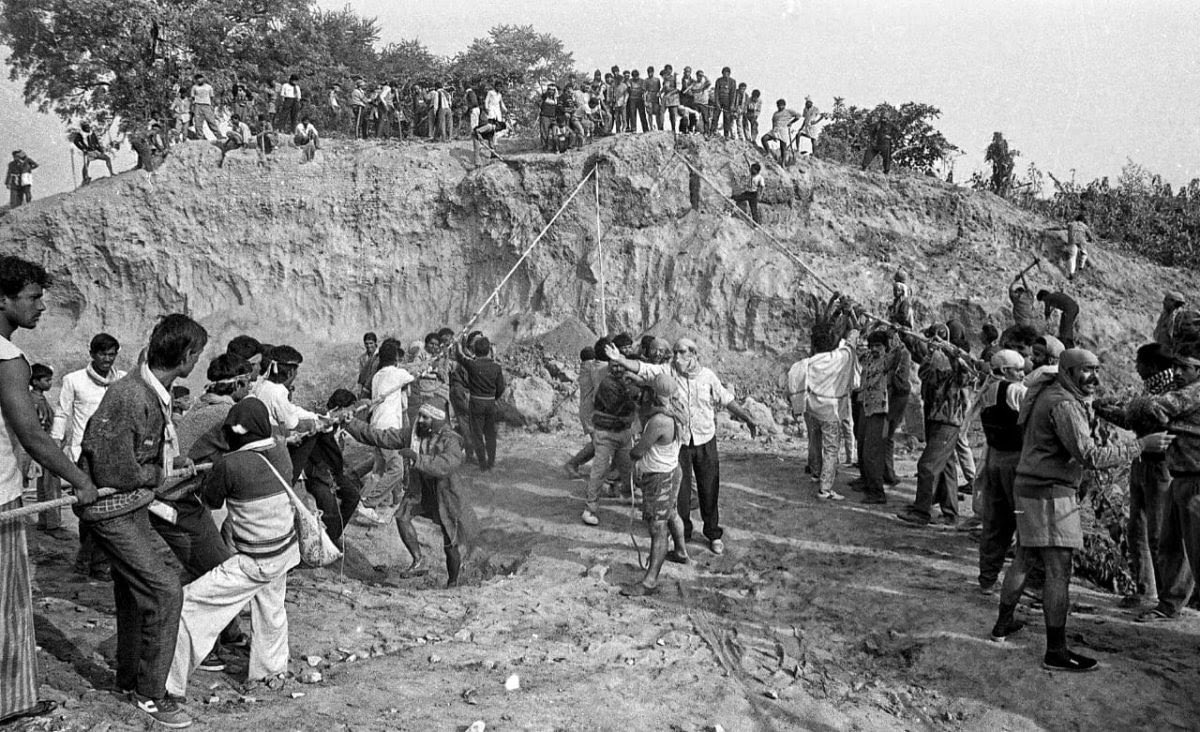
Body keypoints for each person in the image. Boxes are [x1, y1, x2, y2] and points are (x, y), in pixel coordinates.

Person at [989, 349, 1163, 673]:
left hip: (1028, 488)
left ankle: (1002, 626)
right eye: (1086, 371)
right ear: (1069, 371)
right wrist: (1142, 445)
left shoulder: (1047, 391)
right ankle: (1055, 651)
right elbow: (1090, 455)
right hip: (1050, 495)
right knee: (1059, 570)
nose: (1094, 378)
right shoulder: (1064, 404)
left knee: (1025, 557)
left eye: (1097, 370)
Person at [78, 313, 208, 727]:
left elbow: (142, 455)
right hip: (114, 511)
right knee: (166, 589)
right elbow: (116, 470)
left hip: (132, 507)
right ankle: (150, 695)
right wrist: (159, 473)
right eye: (197, 355)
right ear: (187, 356)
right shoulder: (131, 395)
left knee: (136, 590)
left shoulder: (152, 392)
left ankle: (129, 677)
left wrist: (171, 462)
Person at [0, 257, 101, 726]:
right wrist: (81, 481)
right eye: (33, 297)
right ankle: (12, 704)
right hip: (1, 497)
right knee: (10, 602)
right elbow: (34, 436)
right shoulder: (7, 359)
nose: (41, 307)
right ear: (3, 299)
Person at [166, 398, 299, 701]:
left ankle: (168, 683)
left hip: (254, 560)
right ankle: (270, 671)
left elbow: (211, 502)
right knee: (271, 609)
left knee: (190, 606)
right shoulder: (281, 450)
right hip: (285, 551)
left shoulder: (230, 463)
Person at [607, 339, 758, 555]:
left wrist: (748, 418)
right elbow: (646, 369)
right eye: (675, 353)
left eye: (682, 352)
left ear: (694, 354)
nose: (677, 357)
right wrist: (620, 359)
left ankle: (713, 533)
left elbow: (726, 399)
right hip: (683, 443)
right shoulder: (669, 371)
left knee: (709, 488)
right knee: (682, 491)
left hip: (705, 440)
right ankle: (683, 534)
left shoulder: (707, 377)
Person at [343, 403, 480, 586]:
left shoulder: (450, 439)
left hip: (445, 493)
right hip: (420, 490)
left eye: (426, 418)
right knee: (402, 516)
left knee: (450, 542)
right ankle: (418, 560)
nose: (420, 420)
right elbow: (381, 437)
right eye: (420, 416)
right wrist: (351, 423)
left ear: (437, 420)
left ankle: (453, 582)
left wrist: (417, 458)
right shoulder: (412, 434)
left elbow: (447, 464)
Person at [1093, 343, 1179, 610]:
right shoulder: (1155, 389)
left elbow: (1135, 420)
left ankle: (1165, 599)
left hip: (1160, 467)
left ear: (1152, 366)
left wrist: (1104, 409)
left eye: (1139, 362)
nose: (1135, 366)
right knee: (1137, 529)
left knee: (1156, 533)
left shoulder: (1171, 393)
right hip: (1144, 461)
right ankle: (1148, 591)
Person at [1129, 343, 1200, 623]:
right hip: (1181, 475)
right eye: (1177, 366)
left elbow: (1151, 409)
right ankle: (1169, 604)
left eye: (1185, 368)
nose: (1177, 373)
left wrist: (1140, 406)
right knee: (1171, 545)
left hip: (1194, 479)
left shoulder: (1193, 392)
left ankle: (1170, 603)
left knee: (1195, 551)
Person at [51, 332, 126, 578]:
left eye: (112, 354)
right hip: (83, 455)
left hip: (114, 454)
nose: (108, 359)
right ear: (92, 354)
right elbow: (62, 413)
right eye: (103, 354)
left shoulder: (122, 380)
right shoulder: (73, 380)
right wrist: (54, 445)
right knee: (88, 510)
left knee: (109, 509)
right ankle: (89, 563)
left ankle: (96, 564)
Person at [621, 372, 689, 596]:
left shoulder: (660, 421)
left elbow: (639, 450)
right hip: (671, 470)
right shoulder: (676, 411)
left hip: (659, 477)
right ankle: (680, 551)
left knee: (657, 528)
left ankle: (649, 582)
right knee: (671, 513)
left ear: (654, 393)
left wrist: (631, 453)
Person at [897, 334, 975, 526]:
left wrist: (949, 349)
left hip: (947, 423)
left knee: (927, 466)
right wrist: (929, 349)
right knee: (947, 467)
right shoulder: (936, 369)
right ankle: (951, 513)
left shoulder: (958, 371)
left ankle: (922, 512)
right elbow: (922, 370)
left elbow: (969, 370)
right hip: (936, 421)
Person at [788, 303, 861, 501]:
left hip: (812, 409)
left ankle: (815, 472)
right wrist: (852, 317)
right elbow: (852, 340)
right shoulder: (837, 358)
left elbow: (793, 378)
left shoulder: (809, 362)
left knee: (815, 442)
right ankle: (825, 488)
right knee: (831, 449)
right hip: (830, 412)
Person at [975, 349, 1028, 593]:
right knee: (1023, 518)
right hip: (1014, 461)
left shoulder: (987, 388)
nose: (1023, 373)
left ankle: (987, 577)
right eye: (1018, 370)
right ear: (1006, 371)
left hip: (993, 459)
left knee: (994, 522)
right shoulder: (1014, 390)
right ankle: (1026, 581)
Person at [580, 345, 638, 526]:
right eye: (614, 364)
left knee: (627, 467)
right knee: (599, 470)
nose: (618, 368)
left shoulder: (627, 381)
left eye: (620, 365)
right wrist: (634, 396)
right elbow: (621, 406)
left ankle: (626, 494)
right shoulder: (607, 383)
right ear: (609, 366)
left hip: (623, 432)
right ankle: (590, 508)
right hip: (606, 433)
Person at [853, 329, 912, 503]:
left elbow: (900, 351)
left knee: (873, 453)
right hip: (868, 408)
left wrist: (895, 334)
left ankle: (877, 492)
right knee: (864, 448)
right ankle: (869, 484)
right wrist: (859, 326)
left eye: (878, 345)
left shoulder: (888, 362)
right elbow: (859, 346)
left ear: (886, 347)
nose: (874, 349)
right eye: (872, 346)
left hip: (879, 411)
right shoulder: (869, 359)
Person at [357, 339, 412, 524]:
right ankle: (367, 504)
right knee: (397, 470)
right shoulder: (397, 373)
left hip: (376, 426)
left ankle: (361, 502)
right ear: (396, 357)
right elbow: (414, 375)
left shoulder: (377, 375)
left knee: (379, 470)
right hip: (388, 429)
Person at [26, 363, 69, 538]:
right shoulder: (35, 401)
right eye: (46, 380)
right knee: (52, 486)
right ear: (35, 382)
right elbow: (41, 426)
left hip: (41, 447)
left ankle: (44, 521)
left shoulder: (36, 399)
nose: (50, 383)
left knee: (44, 485)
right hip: (45, 447)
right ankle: (53, 524)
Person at [458, 336, 505, 471]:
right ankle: (491, 462)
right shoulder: (496, 367)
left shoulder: (472, 365)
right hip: (490, 403)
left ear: (475, 350)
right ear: (488, 350)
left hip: (476, 402)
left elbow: (460, 356)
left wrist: (458, 344)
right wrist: (493, 397)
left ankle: (482, 464)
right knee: (490, 433)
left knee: (477, 433)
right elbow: (501, 387)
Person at [564, 346, 599, 477]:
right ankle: (572, 464)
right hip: (590, 412)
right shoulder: (591, 368)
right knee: (598, 442)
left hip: (588, 411)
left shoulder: (585, 368)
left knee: (599, 442)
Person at [760, 99, 801, 165]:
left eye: (781, 105)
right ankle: (768, 153)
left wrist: (791, 122)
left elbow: (798, 116)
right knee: (764, 138)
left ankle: (783, 163)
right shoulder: (775, 113)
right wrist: (773, 132)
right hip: (775, 130)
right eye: (778, 105)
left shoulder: (789, 111)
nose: (780, 107)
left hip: (783, 130)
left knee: (783, 147)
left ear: (784, 105)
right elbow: (773, 122)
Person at [190, 73, 223, 141]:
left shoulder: (209, 87)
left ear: (203, 79)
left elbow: (212, 97)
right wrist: (193, 106)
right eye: (197, 79)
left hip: (207, 105)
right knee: (198, 123)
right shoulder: (194, 87)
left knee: (211, 121)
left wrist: (211, 106)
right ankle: (200, 137)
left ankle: (219, 136)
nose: (199, 80)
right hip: (198, 105)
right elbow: (192, 97)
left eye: (200, 78)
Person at [1064, 213, 1093, 279]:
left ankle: (1071, 273)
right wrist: (1089, 240)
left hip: (1072, 241)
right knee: (1084, 253)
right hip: (1082, 242)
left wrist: (1050, 229)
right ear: (1083, 220)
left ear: (1076, 219)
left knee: (1072, 257)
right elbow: (1091, 237)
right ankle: (1081, 265)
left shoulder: (1071, 224)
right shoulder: (1085, 226)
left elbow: (1061, 227)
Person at [712, 67, 737, 139]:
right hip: (719, 100)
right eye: (724, 73)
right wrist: (717, 102)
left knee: (727, 118)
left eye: (727, 73)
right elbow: (716, 92)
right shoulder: (719, 80)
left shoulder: (732, 81)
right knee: (715, 116)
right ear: (722, 73)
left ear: (729, 73)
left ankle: (726, 135)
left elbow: (733, 94)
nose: (725, 74)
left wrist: (732, 104)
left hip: (728, 101)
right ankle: (713, 131)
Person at [356, 331, 379, 397]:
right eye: (366, 344)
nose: (369, 346)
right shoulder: (363, 358)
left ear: (375, 343)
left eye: (371, 343)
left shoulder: (381, 355)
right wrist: (359, 390)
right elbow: (361, 375)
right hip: (367, 388)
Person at [660, 66, 680, 133]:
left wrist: (670, 93)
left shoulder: (675, 78)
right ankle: (661, 128)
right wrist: (660, 92)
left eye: (668, 70)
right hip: (666, 97)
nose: (667, 72)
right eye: (666, 70)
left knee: (673, 115)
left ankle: (673, 130)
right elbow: (665, 87)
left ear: (671, 70)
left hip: (673, 98)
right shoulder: (665, 79)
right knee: (661, 112)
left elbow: (678, 89)